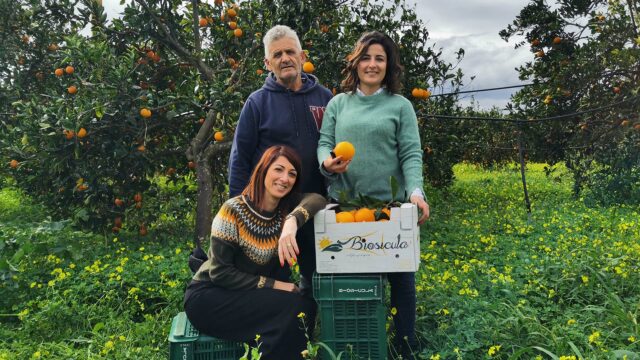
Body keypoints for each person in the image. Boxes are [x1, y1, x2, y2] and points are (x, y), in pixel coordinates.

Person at [316, 31, 430, 359]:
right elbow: (325, 142)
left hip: (390, 205)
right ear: (356, 63)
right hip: (346, 204)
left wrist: (416, 193)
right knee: (353, 275)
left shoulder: (400, 106)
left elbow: (410, 154)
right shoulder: (339, 103)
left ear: (388, 65)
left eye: (379, 58)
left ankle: (405, 343)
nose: (372, 64)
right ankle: (355, 341)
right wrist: (327, 162)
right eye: (366, 57)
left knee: (401, 279)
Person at [185, 145, 327, 360]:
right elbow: (221, 274)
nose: (284, 178)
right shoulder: (233, 210)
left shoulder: (285, 209)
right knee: (292, 308)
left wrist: (292, 221)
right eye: (278, 169)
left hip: (246, 293)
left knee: (304, 307)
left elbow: (317, 199)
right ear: (263, 171)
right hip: (210, 296)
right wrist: (279, 286)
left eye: (292, 174)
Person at [228, 25, 333, 292]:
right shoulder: (257, 103)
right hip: (270, 209)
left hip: (315, 203)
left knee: (318, 271)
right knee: (275, 276)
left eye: (290, 51)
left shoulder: (325, 98)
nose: (284, 58)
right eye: (277, 55)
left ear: (302, 55)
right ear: (267, 63)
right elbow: (240, 159)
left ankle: (310, 322)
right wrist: (240, 211)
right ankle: (282, 325)